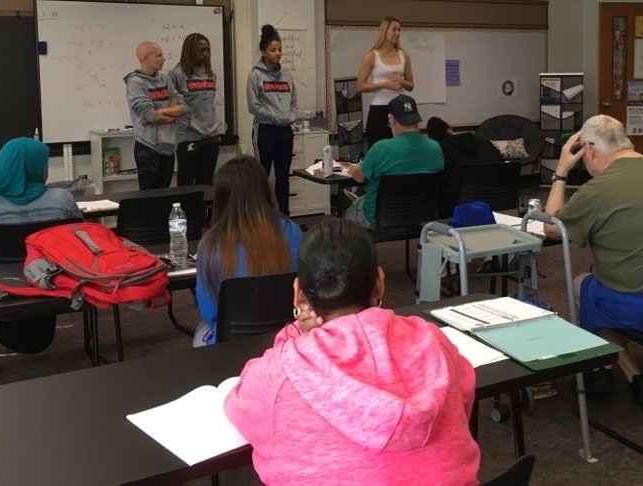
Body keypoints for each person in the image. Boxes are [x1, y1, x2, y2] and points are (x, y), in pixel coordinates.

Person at [224, 218, 480, 486]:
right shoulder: (435, 342)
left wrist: (293, 336)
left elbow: (238, 407)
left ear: (298, 294)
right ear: (379, 283)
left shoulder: (278, 372)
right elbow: (462, 402)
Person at [544, 114, 643, 407]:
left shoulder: (600, 187)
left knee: (584, 285)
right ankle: (617, 371)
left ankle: (614, 370)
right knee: (611, 281)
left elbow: (552, 228)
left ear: (589, 149)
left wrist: (561, 172)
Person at [0, 137, 83, 352]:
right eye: (44, 164)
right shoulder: (63, 200)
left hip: (1, 285)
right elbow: (78, 243)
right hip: (52, 282)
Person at [193, 156, 302, 346]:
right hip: (286, 337)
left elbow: (210, 314)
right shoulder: (293, 230)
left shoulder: (210, 244)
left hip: (231, 342)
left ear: (221, 198)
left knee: (200, 333)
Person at [345, 94, 443, 230]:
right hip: (422, 217)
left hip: (379, 218)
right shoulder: (435, 148)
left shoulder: (380, 148)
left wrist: (354, 168)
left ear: (393, 120)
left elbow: (360, 177)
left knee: (348, 214)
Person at [246, 25, 297, 216]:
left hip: (285, 131)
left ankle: (284, 215)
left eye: (280, 49)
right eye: (273, 50)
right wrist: (276, 117)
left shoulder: (287, 76)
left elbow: (293, 102)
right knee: (262, 175)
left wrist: (290, 117)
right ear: (263, 52)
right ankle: (258, 216)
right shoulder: (255, 75)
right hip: (265, 130)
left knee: (283, 176)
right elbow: (253, 106)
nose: (278, 54)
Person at [124, 41, 184, 189]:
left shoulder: (165, 79)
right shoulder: (135, 83)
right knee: (149, 198)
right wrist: (170, 114)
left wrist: (161, 112)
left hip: (168, 147)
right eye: (158, 55)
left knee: (165, 194)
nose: (163, 59)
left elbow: (183, 107)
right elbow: (150, 115)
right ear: (145, 59)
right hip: (148, 148)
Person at [168, 32, 220, 186]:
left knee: (206, 183)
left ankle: (203, 212)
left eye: (208, 50)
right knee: (186, 185)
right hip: (188, 137)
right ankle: (186, 211)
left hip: (211, 136)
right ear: (190, 51)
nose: (206, 54)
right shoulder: (176, 74)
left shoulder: (211, 74)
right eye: (201, 50)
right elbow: (171, 106)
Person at [426, 116, 501, 218]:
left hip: (457, 211)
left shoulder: (439, 151)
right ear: (449, 129)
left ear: (432, 138)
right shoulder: (485, 143)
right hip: (496, 205)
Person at [357, 17, 414, 148]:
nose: (397, 33)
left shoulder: (404, 55)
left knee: (401, 148)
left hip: (400, 108)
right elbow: (360, 86)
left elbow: (411, 85)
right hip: (379, 108)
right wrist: (384, 85)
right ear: (385, 31)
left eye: (399, 30)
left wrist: (401, 81)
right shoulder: (372, 55)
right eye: (394, 30)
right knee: (379, 148)